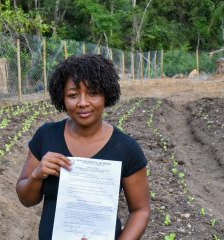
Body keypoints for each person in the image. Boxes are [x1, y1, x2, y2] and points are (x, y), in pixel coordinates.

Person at [16, 54, 150, 240]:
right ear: (62, 98)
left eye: (93, 93)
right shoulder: (46, 136)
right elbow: (26, 199)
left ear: (106, 95)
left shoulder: (126, 149)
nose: (83, 103)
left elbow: (140, 210)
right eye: (73, 95)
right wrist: (37, 175)